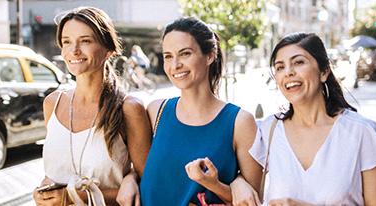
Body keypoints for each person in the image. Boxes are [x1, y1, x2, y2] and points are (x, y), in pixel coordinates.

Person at [232, 33, 376, 205]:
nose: (288, 72)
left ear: (324, 72)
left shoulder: (362, 133)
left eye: (298, 62)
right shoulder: (267, 132)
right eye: (279, 67)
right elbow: (246, 186)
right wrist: (237, 183)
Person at [130, 17, 261, 205]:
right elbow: (144, 169)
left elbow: (253, 201)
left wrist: (219, 185)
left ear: (210, 55)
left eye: (185, 54)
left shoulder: (240, 122)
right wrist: (130, 178)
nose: (175, 65)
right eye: (168, 56)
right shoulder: (155, 112)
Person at [32, 6, 151, 205]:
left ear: (109, 50)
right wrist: (43, 193)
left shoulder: (128, 108)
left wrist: (74, 197)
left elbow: (148, 185)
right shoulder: (53, 103)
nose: (74, 50)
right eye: (67, 42)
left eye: (85, 41)